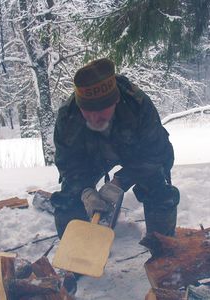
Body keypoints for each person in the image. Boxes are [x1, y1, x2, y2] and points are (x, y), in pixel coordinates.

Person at [50, 58, 180, 241]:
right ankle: (75, 260)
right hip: (91, 158)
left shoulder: (138, 105)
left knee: (160, 192)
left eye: (101, 110)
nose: (94, 118)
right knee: (67, 200)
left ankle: (163, 249)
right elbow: (69, 164)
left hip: (136, 157)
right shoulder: (68, 116)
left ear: (116, 100)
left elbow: (155, 153)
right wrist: (85, 191)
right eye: (87, 110)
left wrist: (120, 182)